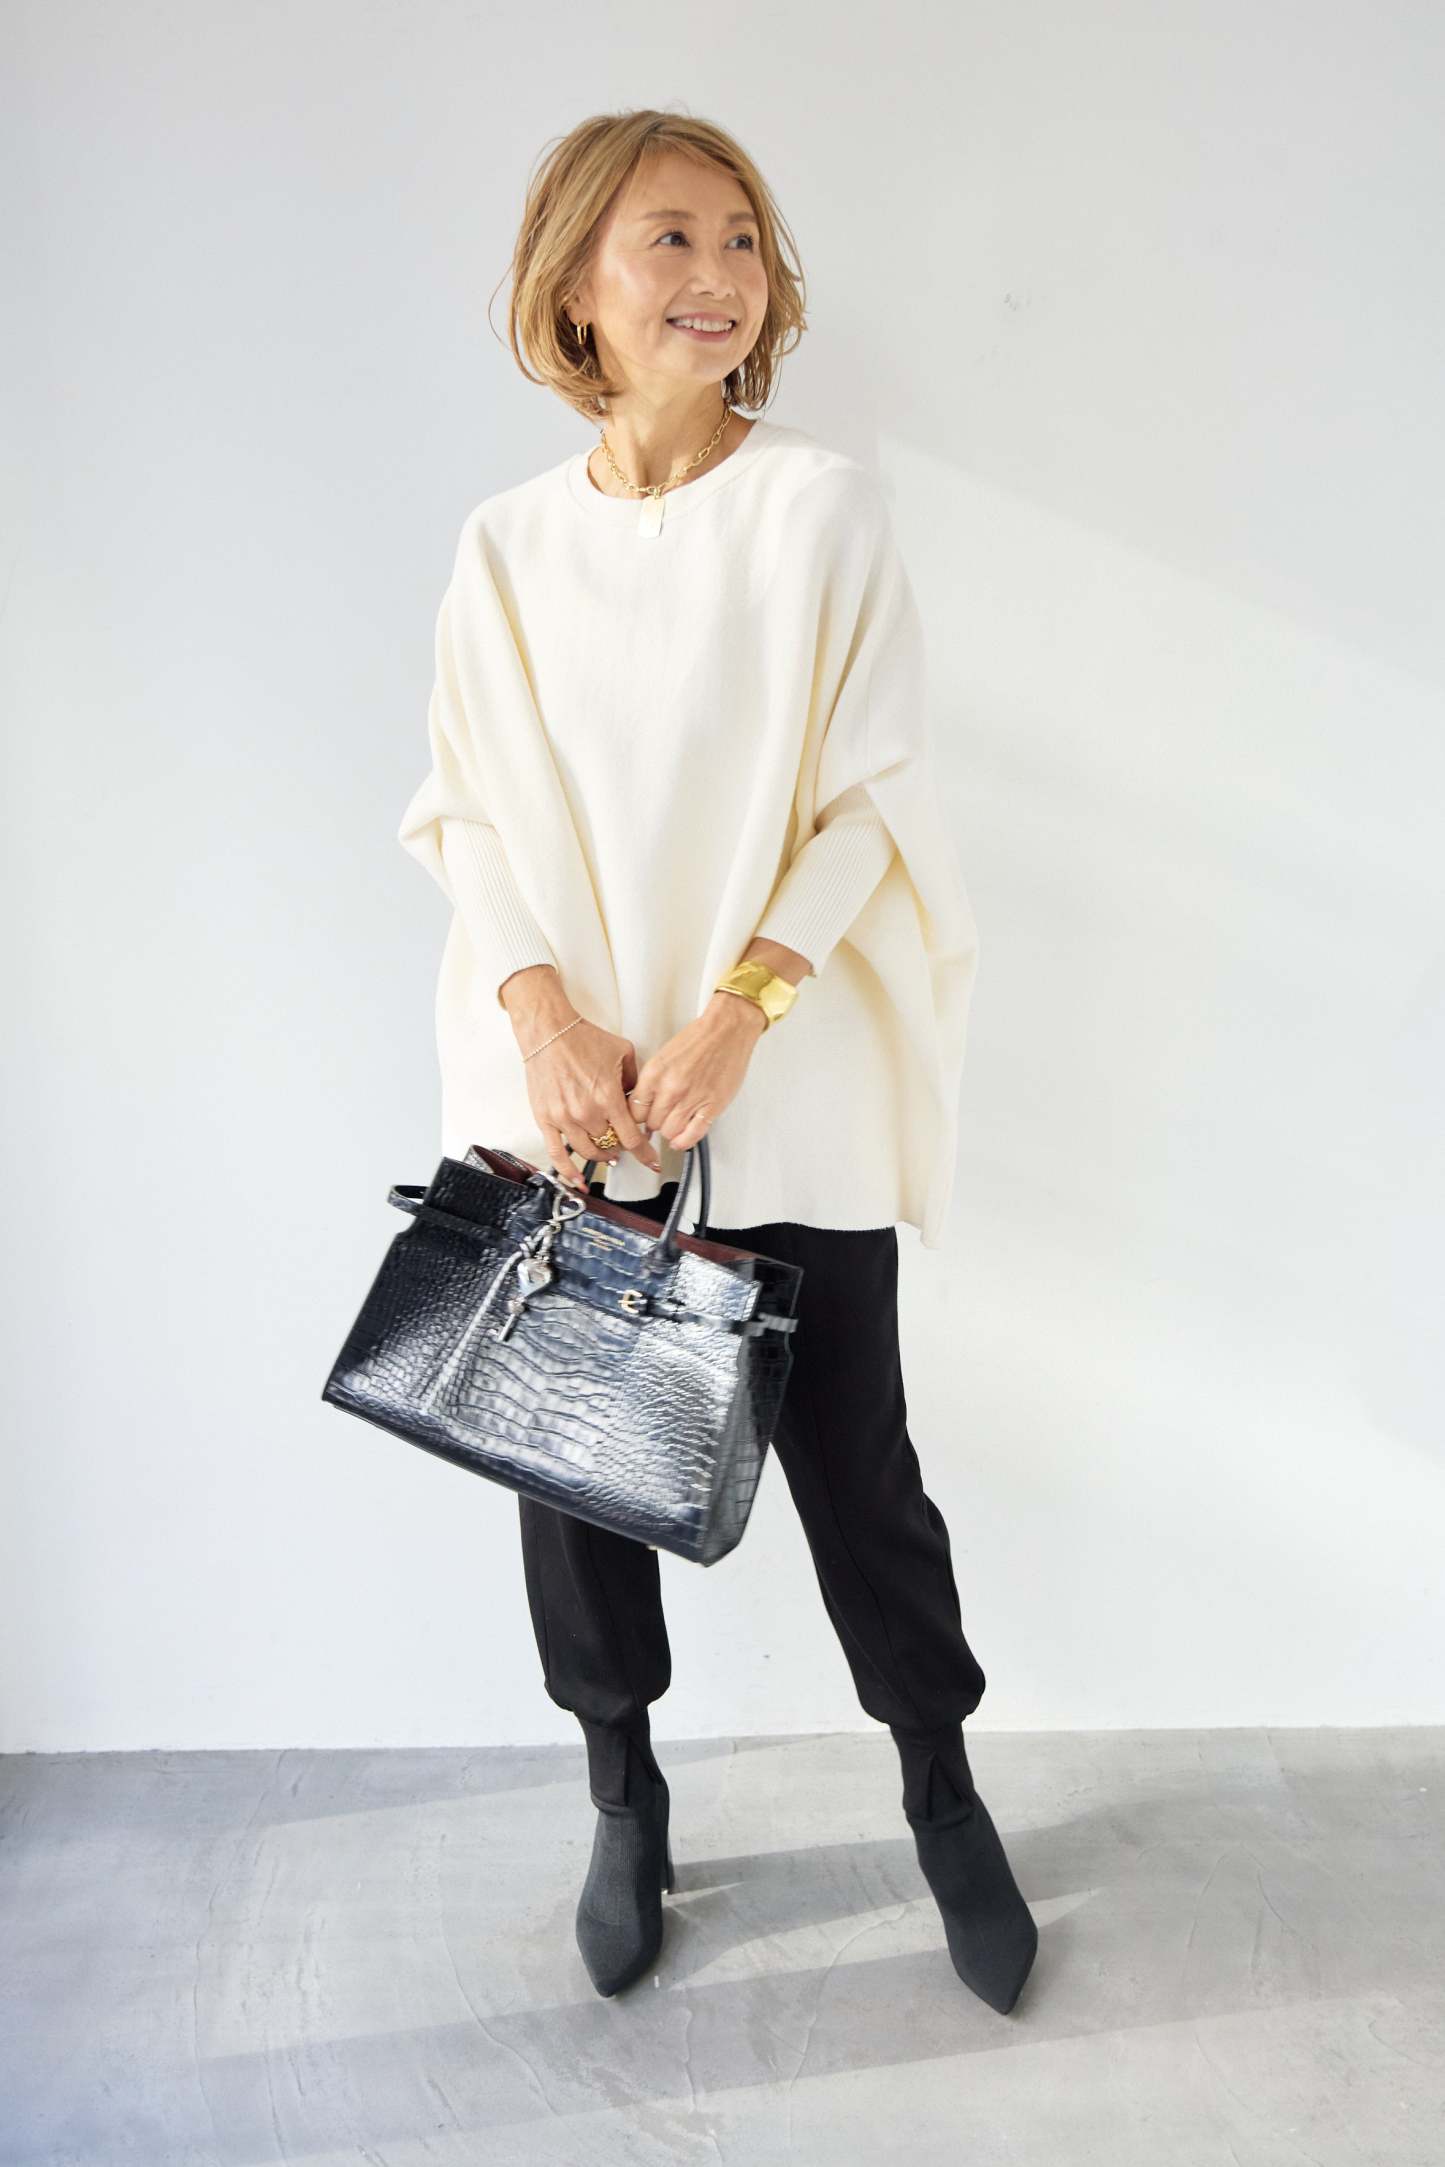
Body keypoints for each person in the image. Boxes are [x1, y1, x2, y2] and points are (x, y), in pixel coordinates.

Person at [397, 109, 1037, 2016]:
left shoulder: (820, 511)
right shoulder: (507, 546)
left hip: (785, 1072)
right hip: (568, 1090)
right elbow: (465, 811)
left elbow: (871, 800)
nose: (717, 276)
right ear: (575, 286)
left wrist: (737, 1011)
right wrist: (542, 1018)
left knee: (860, 1468)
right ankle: (621, 1792)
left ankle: (939, 1789)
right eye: (668, 238)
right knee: (569, 1470)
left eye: (741, 239)